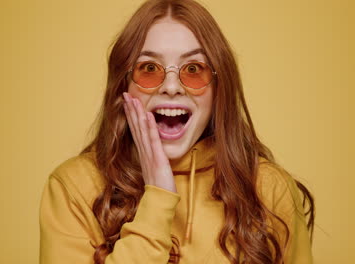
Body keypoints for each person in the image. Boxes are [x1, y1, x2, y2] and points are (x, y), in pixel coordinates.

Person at [39, 0, 315, 263]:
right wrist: (157, 197)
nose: (171, 87)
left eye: (193, 69)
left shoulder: (268, 187)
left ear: (219, 89)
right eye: (149, 68)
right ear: (123, 85)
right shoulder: (74, 186)